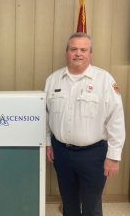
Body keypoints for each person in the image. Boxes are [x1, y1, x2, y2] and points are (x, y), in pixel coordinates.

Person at [45, 32, 125, 216]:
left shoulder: (104, 80)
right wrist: (49, 142)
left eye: (83, 49)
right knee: (68, 201)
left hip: (93, 155)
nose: (78, 53)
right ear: (67, 52)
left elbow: (116, 120)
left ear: (90, 54)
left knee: (91, 204)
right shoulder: (53, 80)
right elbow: (46, 116)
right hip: (62, 152)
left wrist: (113, 156)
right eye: (73, 49)